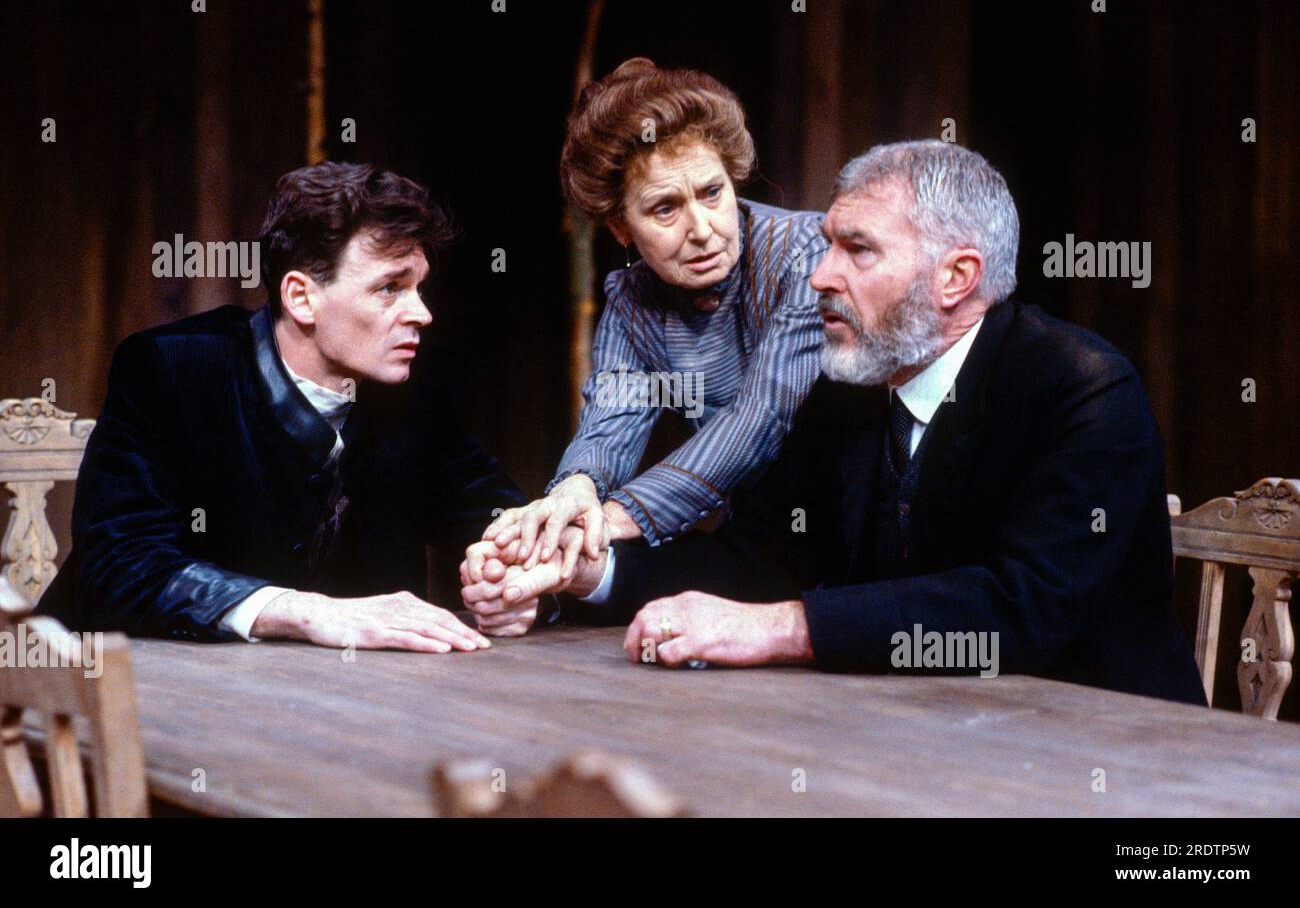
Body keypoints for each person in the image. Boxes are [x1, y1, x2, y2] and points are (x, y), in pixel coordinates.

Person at [462, 140, 1206, 704]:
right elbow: (756, 562)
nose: (821, 275)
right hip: (913, 732)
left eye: (857, 250)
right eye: (826, 244)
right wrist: (590, 571)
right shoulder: (848, 386)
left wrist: (778, 628)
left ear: (957, 277)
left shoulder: (1084, 389)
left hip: (1112, 755)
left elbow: (1018, 609)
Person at [41, 162, 521, 652]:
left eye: (419, 288)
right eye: (390, 288)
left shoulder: (414, 387)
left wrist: (514, 581)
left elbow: (502, 521)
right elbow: (118, 566)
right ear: (301, 298)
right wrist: (308, 613)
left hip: (344, 708)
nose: (422, 313)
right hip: (119, 698)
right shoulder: (171, 370)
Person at [475, 58, 828, 591]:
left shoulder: (803, 253)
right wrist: (575, 492)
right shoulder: (632, 299)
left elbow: (761, 416)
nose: (703, 229)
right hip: (760, 552)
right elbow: (612, 418)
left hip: (860, 545)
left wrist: (612, 518)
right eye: (665, 209)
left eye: (712, 193)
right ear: (621, 227)